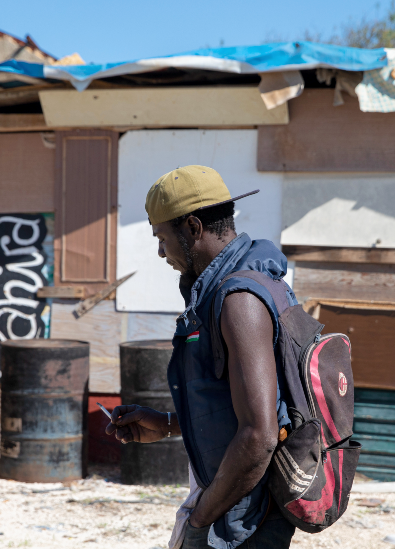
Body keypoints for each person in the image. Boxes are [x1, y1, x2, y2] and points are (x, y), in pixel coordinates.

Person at [106, 165, 296, 549]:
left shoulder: (239, 300)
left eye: (161, 237)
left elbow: (259, 435)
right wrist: (169, 424)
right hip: (237, 509)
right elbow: (239, 407)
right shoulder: (241, 287)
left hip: (242, 520)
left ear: (193, 227)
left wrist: (201, 518)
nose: (160, 251)